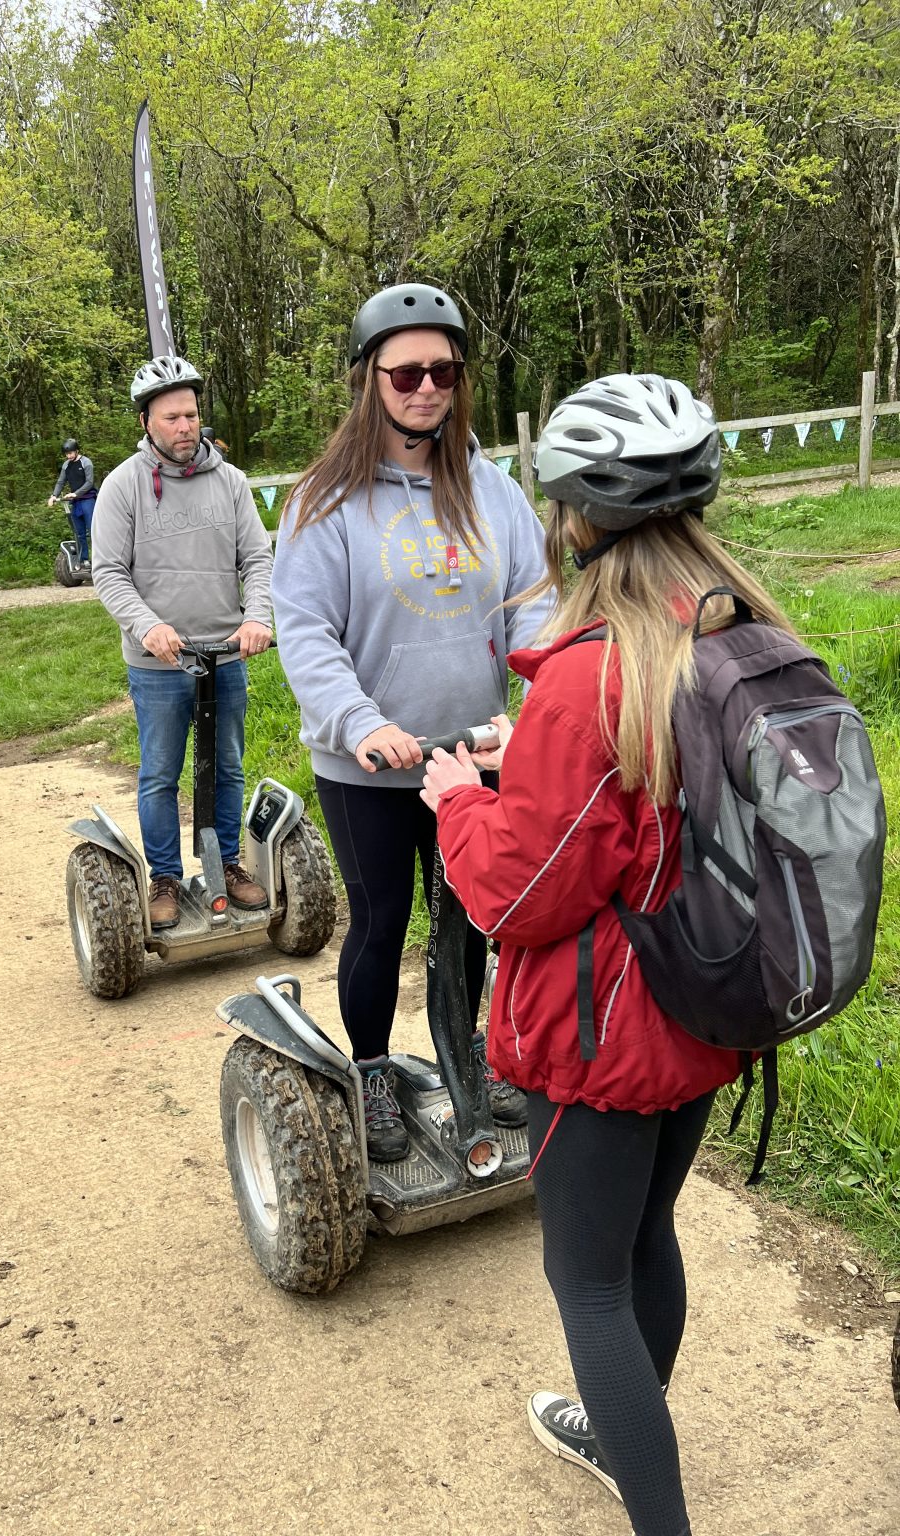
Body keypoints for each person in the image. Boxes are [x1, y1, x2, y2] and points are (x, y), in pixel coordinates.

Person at [420, 373, 791, 1536]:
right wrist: (521, 760)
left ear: (578, 514)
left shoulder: (592, 674)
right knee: (648, 1240)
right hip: (705, 1003)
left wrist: (454, 800)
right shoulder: (736, 625)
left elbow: (522, 893)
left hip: (603, 1036)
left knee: (587, 1282)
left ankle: (652, 1497)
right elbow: (634, 813)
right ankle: (629, 1429)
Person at [270, 283, 552, 1162]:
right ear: (369, 381)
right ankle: (371, 1070)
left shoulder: (494, 490)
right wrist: (358, 721)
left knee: (473, 917)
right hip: (370, 766)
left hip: (473, 754)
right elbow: (305, 629)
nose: (426, 387)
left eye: (442, 370)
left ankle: (465, 1051)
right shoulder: (322, 501)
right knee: (382, 917)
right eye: (405, 373)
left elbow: (533, 608)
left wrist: (538, 701)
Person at [90, 354, 273, 930]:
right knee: (160, 772)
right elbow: (109, 572)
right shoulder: (123, 487)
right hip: (159, 662)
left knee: (227, 768)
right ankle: (165, 876)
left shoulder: (232, 483)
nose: (185, 427)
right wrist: (149, 625)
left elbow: (258, 558)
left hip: (225, 653)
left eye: (191, 414)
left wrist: (257, 615)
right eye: (171, 417)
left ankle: (228, 867)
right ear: (146, 421)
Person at [47, 438, 97, 565]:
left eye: (70, 453)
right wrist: (54, 495)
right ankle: (84, 559)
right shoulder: (66, 465)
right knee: (79, 532)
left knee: (93, 531)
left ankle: (99, 559)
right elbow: (61, 481)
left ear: (77, 451)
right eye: (66, 454)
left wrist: (76, 493)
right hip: (75, 502)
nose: (68, 456)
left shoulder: (86, 463)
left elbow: (89, 482)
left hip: (87, 500)